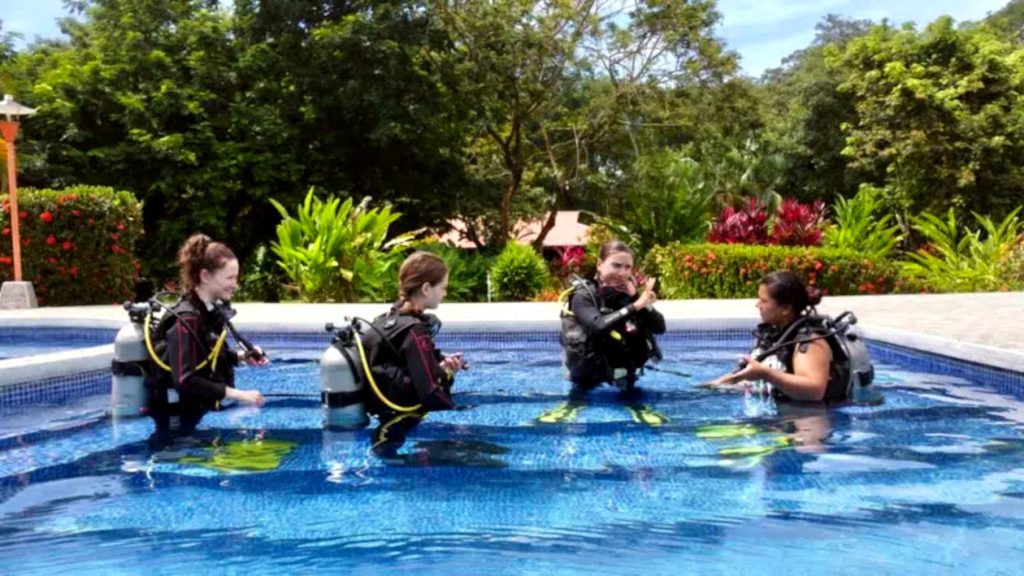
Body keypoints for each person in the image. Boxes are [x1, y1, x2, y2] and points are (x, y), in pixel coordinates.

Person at [147, 234, 267, 441]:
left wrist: (240, 356)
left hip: (202, 419)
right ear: (205, 276)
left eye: (235, 277)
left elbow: (204, 358)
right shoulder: (187, 319)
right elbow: (185, 379)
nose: (235, 284)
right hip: (179, 432)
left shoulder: (206, 312)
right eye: (229, 278)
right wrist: (238, 394)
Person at [543, 240, 666, 424]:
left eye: (627, 267)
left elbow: (660, 328)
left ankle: (637, 408)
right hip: (588, 376)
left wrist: (636, 299)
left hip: (625, 375)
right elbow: (598, 325)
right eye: (616, 265)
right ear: (599, 265)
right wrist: (636, 305)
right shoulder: (583, 295)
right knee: (580, 397)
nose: (622, 272)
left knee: (631, 398)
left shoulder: (629, 295)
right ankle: (571, 406)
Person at [709, 270, 874, 403]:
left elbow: (815, 390)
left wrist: (765, 374)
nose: (757, 305)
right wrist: (713, 386)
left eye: (764, 301)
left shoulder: (810, 341)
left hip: (814, 415)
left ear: (786, 308)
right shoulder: (775, 333)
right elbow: (747, 374)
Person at [359, 251, 467, 418]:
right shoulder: (415, 330)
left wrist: (444, 369)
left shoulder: (386, 320)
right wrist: (461, 413)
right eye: (443, 288)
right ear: (426, 288)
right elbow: (430, 394)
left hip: (381, 413)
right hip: (401, 419)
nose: (445, 293)